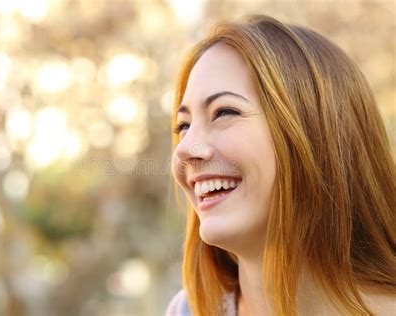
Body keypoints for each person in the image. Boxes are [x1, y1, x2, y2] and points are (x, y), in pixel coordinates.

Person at [166, 15, 395, 316]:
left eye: (223, 112)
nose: (184, 149)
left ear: (316, 133)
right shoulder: (187, 311)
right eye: (183, 126)